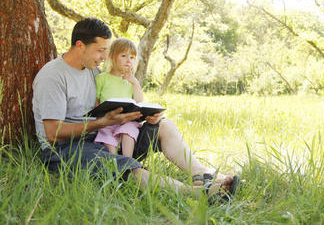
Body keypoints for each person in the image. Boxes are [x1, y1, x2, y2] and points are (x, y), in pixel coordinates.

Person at [32, 17, 238, 201]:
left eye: (106, 50)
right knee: (128, 168)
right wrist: (102, 123)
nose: (104, 57)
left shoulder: (93, 71)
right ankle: (199, 194)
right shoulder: (53, 76)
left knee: (163, 125)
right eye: (101, 50)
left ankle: (202, 174)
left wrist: (142, 115)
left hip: (103, 135)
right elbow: (52, 133)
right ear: (80, 45)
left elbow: (107, 104)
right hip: (67, 149)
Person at [93, 38, 143, 157]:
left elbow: (139, 102)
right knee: (106, 134)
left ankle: (127, 160)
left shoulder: (132, 81)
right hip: (108, 121)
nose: (128, 61)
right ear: (112, 56)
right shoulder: (102, 78)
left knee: (129, 130)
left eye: (131, 57)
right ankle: (115, 162)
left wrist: (135, 84)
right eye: (124, 56)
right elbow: (96, 101)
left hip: (127, 120)